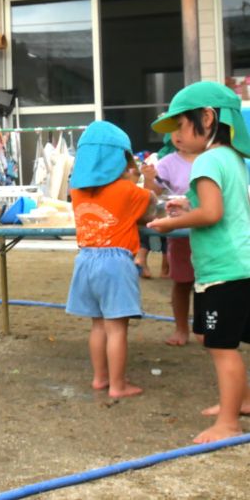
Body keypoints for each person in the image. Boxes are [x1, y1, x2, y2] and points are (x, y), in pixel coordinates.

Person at [148, 81, 250, 443]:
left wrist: (169, 223)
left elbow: (211, 213)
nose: (176, 135)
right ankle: (241, 403)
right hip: (243, 265)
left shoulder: (206, 160)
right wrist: (187, 206)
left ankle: (227, 423)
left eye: (179, 125)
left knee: (222, 347)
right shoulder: (233, 158)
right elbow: (221, 208)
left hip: (224, 271)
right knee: (235, 339)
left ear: (207, 118)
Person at [66, 121, 156, 399]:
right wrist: (147, 180)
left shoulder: (76, 191)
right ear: (121, 159)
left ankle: (100, 378)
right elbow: (150, 210)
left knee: (98, 325)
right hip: (116, 262)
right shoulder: (127, 191)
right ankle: (118, 385)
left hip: (86, 260)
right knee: (117, 328)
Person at [141, 131, 200, 345]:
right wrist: (148, 178)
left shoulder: (212, 158)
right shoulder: (167, 162)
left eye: (183, 129)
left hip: (209, 233)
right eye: (174, 131)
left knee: (210, 283)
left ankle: (206, 328)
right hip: (179, 233)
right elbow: (153, 195)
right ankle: (181, 329)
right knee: (182, 283)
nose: (178, 135)